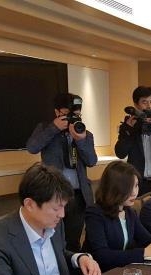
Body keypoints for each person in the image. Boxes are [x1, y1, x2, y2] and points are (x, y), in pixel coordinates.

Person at [26, 92, 98, 252]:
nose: (72, 119)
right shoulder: (45, 128)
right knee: (52, 240)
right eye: (67, 115)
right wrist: (53, 128)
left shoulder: (84, 133)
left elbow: (92, 161)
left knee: (73, 241)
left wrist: (80, 140)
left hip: (77, 195)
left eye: (76, 115)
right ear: (57, 112)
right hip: (53, 195)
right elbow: (32, 147)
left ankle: (74, 265)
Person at [84, 161, 151, 272]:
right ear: (114, 188)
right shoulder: (95, 213)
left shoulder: (129, 212)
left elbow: (148, 240)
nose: (134, 192)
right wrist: (143, 253)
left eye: (136, 186)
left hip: (123, 272)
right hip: (100, 274)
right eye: (129, 188)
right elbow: (102, 255)